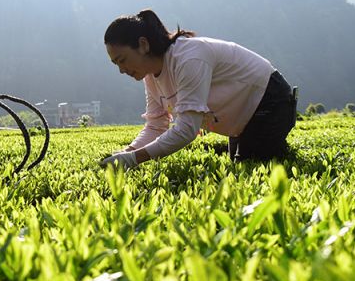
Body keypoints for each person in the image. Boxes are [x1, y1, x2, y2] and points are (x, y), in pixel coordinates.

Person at [99, 9, 297, 170]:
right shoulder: (150, 76)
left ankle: (279, 143)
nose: (121, 70)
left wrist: (134, 159)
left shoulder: (188, 58)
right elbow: (155, 125)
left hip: (271, 100)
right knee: (241, 164)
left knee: (248, 168)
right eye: (116, 64)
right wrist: (126, 153)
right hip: (242, 119)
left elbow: (187, 129)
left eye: (122, 60)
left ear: (143, 45)